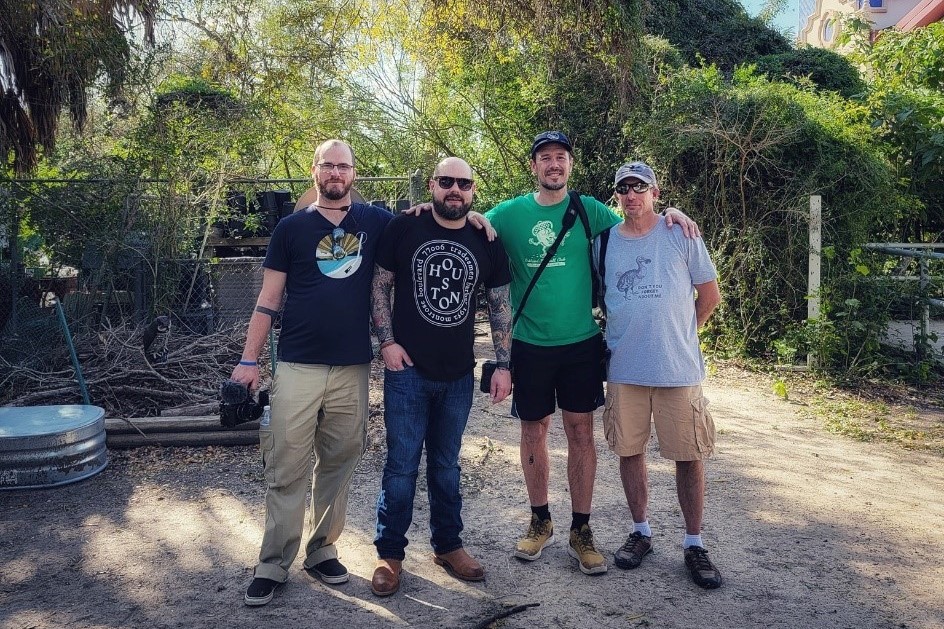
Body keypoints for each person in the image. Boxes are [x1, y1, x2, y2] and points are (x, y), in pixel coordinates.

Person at [482, 131, 700, 576]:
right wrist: (432, 211)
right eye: (545, 158)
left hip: (581, 342)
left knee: (581, 434)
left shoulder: (590, 210)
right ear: (534, 167)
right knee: (533, 432)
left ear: (570, 164)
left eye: (561, 157)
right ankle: (540, 519)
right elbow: (467, 225)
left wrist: (672, 212)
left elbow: (637, 220)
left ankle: (581, 530)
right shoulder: (507, 214)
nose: (553, 165)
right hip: (530, 343)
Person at [232, 139, 394, 607]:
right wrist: (248, 361)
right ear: (315, 171)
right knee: (287, 464)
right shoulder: (291, 228)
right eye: (329, 165)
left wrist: (470, 215)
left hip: (353, 367)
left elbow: (425, 226)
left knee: (341, 460)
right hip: (298, 365)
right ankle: (272, 563)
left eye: (344, 166)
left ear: (354, 174)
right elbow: (268, 298)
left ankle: (322, 550)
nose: (336, 173)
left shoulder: (377, 223)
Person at [368, 156, 513, 596]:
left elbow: (500, 305)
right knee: (401, 466)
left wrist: (505, 364)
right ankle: (390, 554)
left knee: (447, 466)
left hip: (457, 376)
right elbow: (379, 285)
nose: (455, 189)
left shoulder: (486, 238)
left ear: (472, 191)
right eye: (446, 181)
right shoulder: (404, 227)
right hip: (407, 372)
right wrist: (387, 342)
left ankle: (448, 545)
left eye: (463, 184)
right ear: (432, 185)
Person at [598, 161, 722, 589]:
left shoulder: (680, 233)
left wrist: (683, 335)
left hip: (677, 368)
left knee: (690, 455)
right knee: (629, 451)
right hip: (625, 370)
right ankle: (641, 532)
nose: (631, 195)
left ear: (655, 191)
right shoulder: (603, 243)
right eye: (623, 189)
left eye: (640, 187)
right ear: (616, 196)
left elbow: (709, 295)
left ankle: (694, 542)